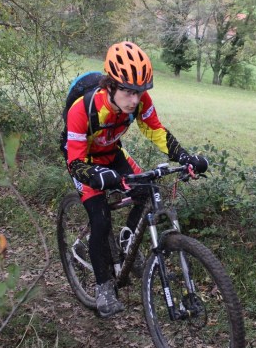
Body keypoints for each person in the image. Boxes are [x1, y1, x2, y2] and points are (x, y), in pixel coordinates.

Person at [65, 41, 208, 317]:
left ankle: (126, 240)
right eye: (128, 91)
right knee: (100, 219)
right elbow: (75, 162)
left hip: (112, 152)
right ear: (110, 86)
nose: (135, 100)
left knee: (146, 190)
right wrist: (96, 176)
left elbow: (156, 131)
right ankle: (104, 287)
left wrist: (185, 157)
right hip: (84, 160)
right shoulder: (82, 110)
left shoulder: (140, 102)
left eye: (139, 91)